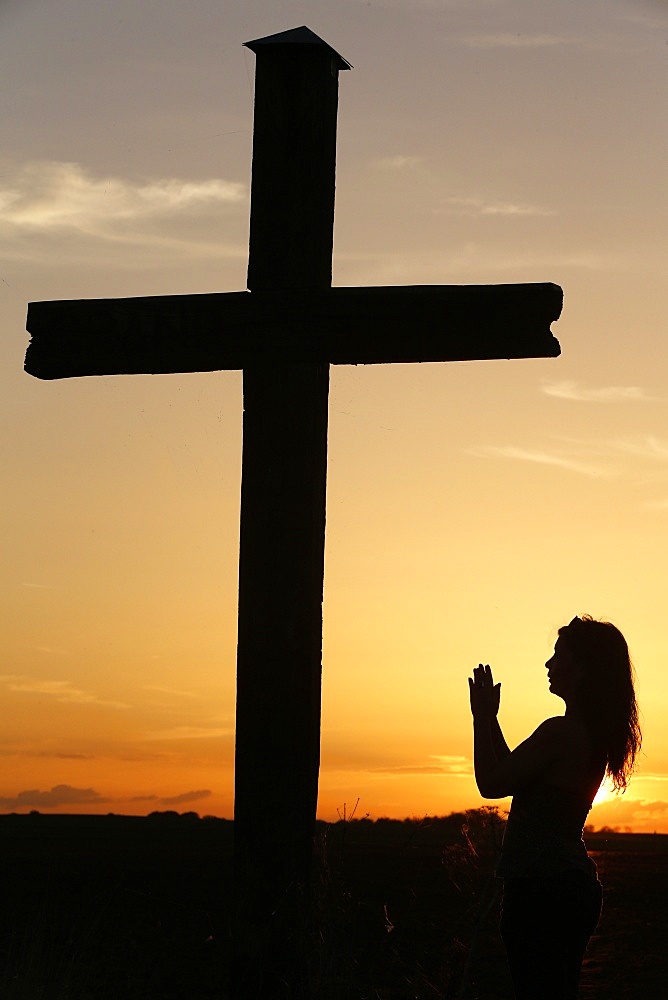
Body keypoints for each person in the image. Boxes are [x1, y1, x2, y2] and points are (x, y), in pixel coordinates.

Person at [468, 615, 641, 1000]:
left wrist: (480, 719)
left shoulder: (560, 733)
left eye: (558, 655)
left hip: (541, 892)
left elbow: (491, 783)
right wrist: (492, 719)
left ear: (581, 669)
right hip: (567, 887)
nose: (548, 664)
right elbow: (514, 774)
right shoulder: (587, 737)